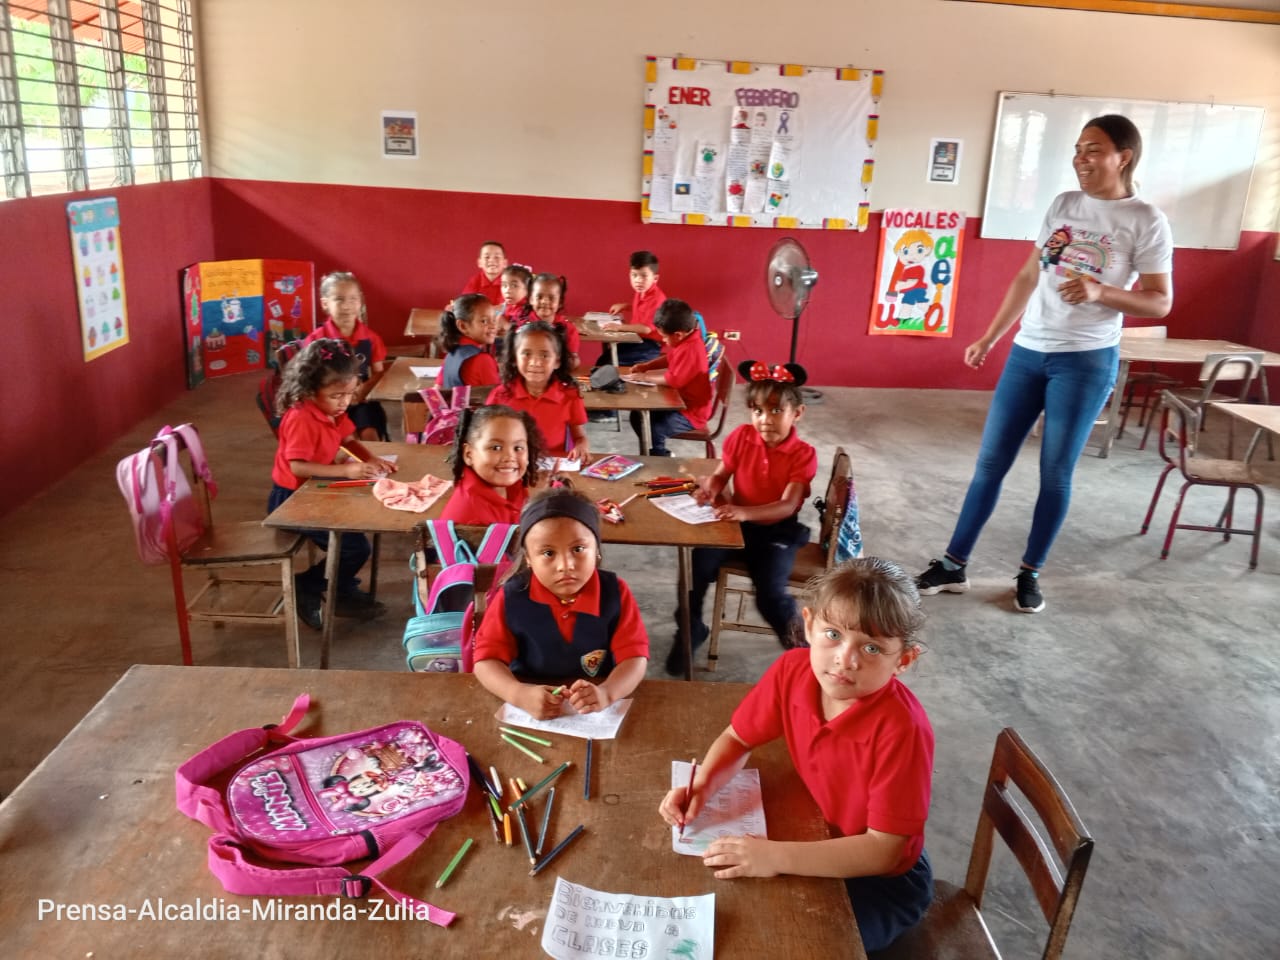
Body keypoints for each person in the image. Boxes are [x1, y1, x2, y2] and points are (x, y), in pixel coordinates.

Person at [916, 114, 1173, 614]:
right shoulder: (1064, 205)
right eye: (1078, 149)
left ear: (1124, 156)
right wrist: (990, 337)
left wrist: (1103, 291)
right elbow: (1027, 277)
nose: (1081, 158)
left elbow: (1160, 302)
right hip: (1029, 352)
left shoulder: (1145, 220)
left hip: (1085, 360)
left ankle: (1029, 573)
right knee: (990, 463)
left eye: (1094, 149)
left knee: (1054, 472)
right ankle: (953, 565)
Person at [658, 558, 933, 952]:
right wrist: (702, 786)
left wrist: (774, 857)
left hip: (881, 882)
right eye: (833, 634)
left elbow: (884, 850)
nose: (845, 659)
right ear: (808, 625)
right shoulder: (793, 671)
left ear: (903, 659)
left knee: (800, 946)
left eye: (872, 647)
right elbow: (738, 738)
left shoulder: (903, 731)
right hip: (812, 834)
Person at [665, 360, 816, 675]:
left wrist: (745, 511)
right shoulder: (741, 437)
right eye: (758, 411)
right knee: (695, 571)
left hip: (777, 532)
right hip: (734, 525)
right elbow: (721, 474)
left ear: (797, 413)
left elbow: (788, 505)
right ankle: (690, 630)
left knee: (770, 595)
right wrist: (711, 488)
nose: (765, 420)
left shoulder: (803, 454)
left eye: (776, 411)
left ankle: (806, 655)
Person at [473, 490, 649, 719]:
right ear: (528, 558)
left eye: (578, 549)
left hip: (594, 708)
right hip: (531, 704)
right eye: (548, 553)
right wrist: (518, 693)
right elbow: (486, 662)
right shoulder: (512, 597)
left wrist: (607, 692)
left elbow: (634, 658)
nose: (565, 565)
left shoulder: (615, 592)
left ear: (596, 548)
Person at [267, 338, 398, 628]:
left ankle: (341, 590)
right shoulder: (301, 417)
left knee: (356, 536)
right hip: (291, 501)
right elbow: (297, 466)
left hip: (317, 492)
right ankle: (310, 586)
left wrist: (372, 459)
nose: (345, 402)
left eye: (350, 394)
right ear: (310, 389)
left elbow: (349, 439)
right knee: (355, 548)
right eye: (337, 395)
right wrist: (346, 472)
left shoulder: (332, 410)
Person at [304, 271, 388, 441]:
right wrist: (339, 395)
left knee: (370, 435)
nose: (346, 306)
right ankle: (346, 467)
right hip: (326, 403)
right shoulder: (315, 340)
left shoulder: (371, 338)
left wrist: (364, 388)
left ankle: (372, 464)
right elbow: (306, 380)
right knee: (347, 439)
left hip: (359, 400)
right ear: (325, 304)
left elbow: (379, 372)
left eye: (352, 299)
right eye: (339, 299)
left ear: (361, 301)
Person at [487, 321, 588, 460]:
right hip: (510, 467)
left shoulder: (569, 395)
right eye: (526, 353)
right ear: (515, 359)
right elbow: (487, 436)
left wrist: (581, 446)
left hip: (552, 468)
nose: (535, 362)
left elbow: (579, 437)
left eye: (544, 355)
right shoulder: (500, 395)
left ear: (557, 361)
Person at [626, 298, 714, 456]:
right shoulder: (685, 340)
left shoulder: (692, 349)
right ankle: (653, 451)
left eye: (664, 337)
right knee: (637, 416)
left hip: (691, 412)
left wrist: (645, 378)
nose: (664, 341)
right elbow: (669, 358)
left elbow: (673, 379)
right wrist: (647, 366)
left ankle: (661, 456)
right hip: (677, 401)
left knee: (655, 428)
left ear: (678, 334)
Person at [439, 404, 541, 525]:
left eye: (518, 447)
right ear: (469, 454)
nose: (509, 457)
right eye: (496, 448)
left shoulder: (511, 485)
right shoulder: (473, 518)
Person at [603, 249, 665, 367]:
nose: (638, 280)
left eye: (644, 276)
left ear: (655, 278)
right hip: (636, 339)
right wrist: (626, 306)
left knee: (608, 362)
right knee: (605, 357)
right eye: (634, 275)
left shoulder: (657, 299)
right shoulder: (642, 291)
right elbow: (644, 309)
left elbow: (646, 329)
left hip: (650, 346)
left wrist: (620, 327)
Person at [514, 272, 580, 368]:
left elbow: (574, 359)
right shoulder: (521, 326)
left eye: (551, 298)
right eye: (539, 297)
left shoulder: (568, 329)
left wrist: (571, 361)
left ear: (560, 302)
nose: (545, 301)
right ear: (531, 299)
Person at [436, 293, 500, 388]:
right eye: (484, 321)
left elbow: (437, 388)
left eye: (494, 320)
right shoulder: (483, 360)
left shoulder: (451, 354)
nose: (493, 326)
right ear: (463, 326)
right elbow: (497, 398)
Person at [459, 240, 508, 306]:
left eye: (497, 257)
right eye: (487, 257)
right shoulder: (475, 281)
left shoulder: (509, 281)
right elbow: (465, 304)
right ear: (479, 263)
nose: (491, 260)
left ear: (505, 263)